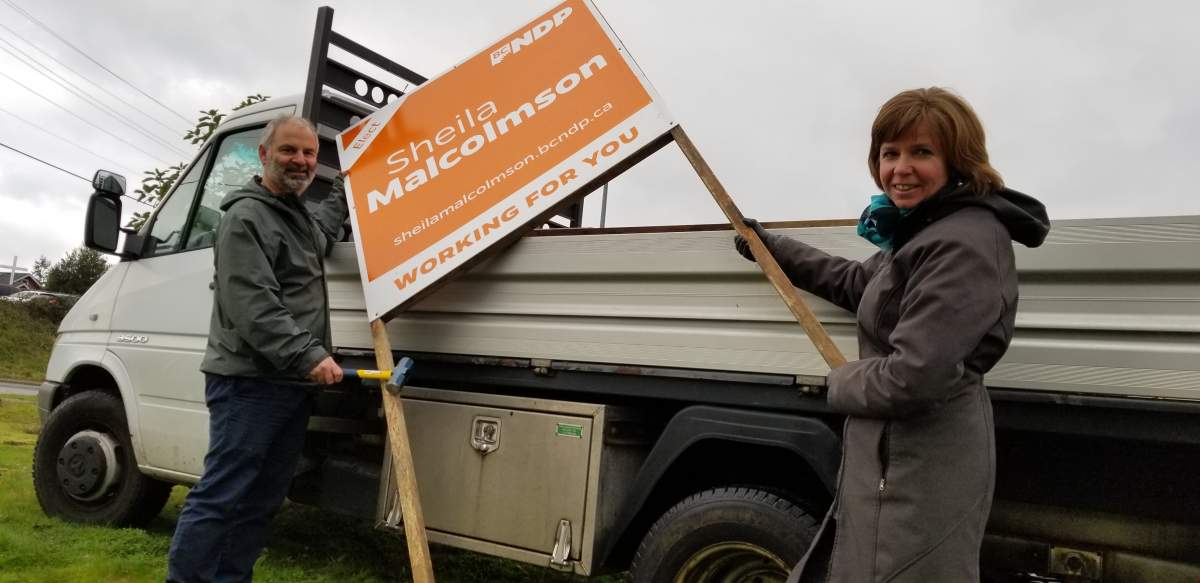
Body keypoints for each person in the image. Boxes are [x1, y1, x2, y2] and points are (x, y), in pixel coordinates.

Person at [735, 87, 1050, 582]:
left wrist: (840, 382)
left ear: (957, 160)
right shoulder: (927, 231)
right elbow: (858, 284)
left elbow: (914, 377)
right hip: (896, 455)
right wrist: (772, 248)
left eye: (921, 152)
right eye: (890, 153)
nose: (901, 169)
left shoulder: (961, 243)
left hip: (920, 461)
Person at [167, 115, 349, 582]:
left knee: (259, 502)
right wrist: (310, 355)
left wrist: (347, 185)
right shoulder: (246, 217)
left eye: (309, 153)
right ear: (264, 154)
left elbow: (324, 230)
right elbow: (253, 306)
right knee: (222, 497)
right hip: (249, 384)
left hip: (286, 383)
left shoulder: (294, 216)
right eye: (289, 150)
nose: (300, 161)